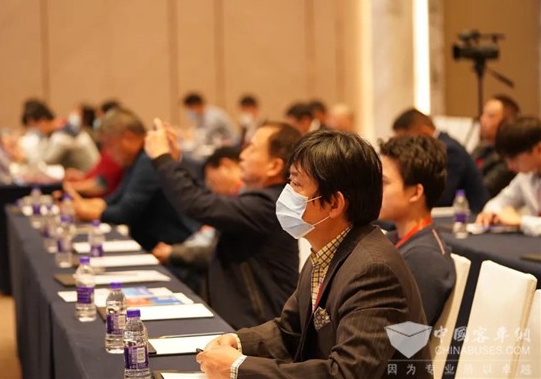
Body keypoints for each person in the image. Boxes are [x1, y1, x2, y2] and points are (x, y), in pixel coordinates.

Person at [196, 130, 431, 379]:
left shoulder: (373, 270)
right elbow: (290, 329)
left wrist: (239, 368)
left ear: (334, 204)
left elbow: (346, 374)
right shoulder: (325, 251)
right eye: (290, 181)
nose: (286, 193)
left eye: (297, 184)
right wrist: (237, 342)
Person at [145, 120, 301, 329]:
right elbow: (204, 199)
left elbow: (197, 204)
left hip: (258, 330)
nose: (242, 155)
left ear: (274, 166)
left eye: (251, 148)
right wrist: (174, 162)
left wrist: (162, 159)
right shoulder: (264, 199)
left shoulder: (269, 205)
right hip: (244, 322)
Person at [64, 108, 198, 249]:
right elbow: (116, 199)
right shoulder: (136, 158)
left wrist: (86, 210)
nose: (108, 152)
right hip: (153, 242)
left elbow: (125, 213)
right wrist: (82, 204)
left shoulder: (147, 159)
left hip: (169, 246)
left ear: (128, 137)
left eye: (110, 144)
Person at [378, 135, 456, 325]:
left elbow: (407, 339)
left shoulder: (426, 259)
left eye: (383, 183)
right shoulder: (393, 238)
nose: (374, 190)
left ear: (415, 192)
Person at [152, 146, 244, 299]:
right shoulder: (234, 197)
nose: (212, 188)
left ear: (225, 165)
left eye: (211, 181)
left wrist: (174, 252)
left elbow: (214, 252)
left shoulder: (244, 200)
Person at [393, 108, 488, 212]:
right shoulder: (439, 147)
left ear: (424, 131)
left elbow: (443, 195)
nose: (404, 147)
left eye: (406, 140)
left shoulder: (449, 150)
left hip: (469, 215)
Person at [476, 116, 541, 237]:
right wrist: (490, 214)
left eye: (513, 159)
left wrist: (521, 221)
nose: (510, 167)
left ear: (538, 149)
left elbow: (517, 220)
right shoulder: (526, 176)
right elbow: (499, 202)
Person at [23, 99, 100, 172]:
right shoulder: (63, 128)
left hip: (90, 177)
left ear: (42, 121)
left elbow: (47, 162)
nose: (34, 131)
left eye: (33, 127)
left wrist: (24, 158)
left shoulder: (62, 134)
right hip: (85, 175)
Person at [471, 94, 520, 197]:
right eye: (483, 114)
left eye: (490, 116)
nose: (482, 120)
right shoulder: (481, 148)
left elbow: (484, 190)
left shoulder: (509, 157)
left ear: (506, 122)